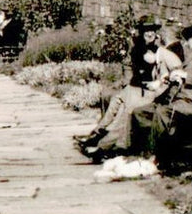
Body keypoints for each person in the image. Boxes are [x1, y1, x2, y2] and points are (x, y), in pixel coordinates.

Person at [116, 24, 192, 168]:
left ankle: (154, 158)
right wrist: (170, 76)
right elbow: (181, 69)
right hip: (181, 100)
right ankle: (137, 152)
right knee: (140, 112)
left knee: (162, 112)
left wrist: (185, 76)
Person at [79, 19, 186, 157]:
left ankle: (105, 146)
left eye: (152, 31)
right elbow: (130, 65)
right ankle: (99, 135)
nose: (150, 34)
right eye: (146, 31)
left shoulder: (162, 52)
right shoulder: (138, 49)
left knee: (126, 112)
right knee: (116, 101)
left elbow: (178, 71)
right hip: (137, 88)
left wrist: (160, 81)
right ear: (141, 33)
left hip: (150, 93)